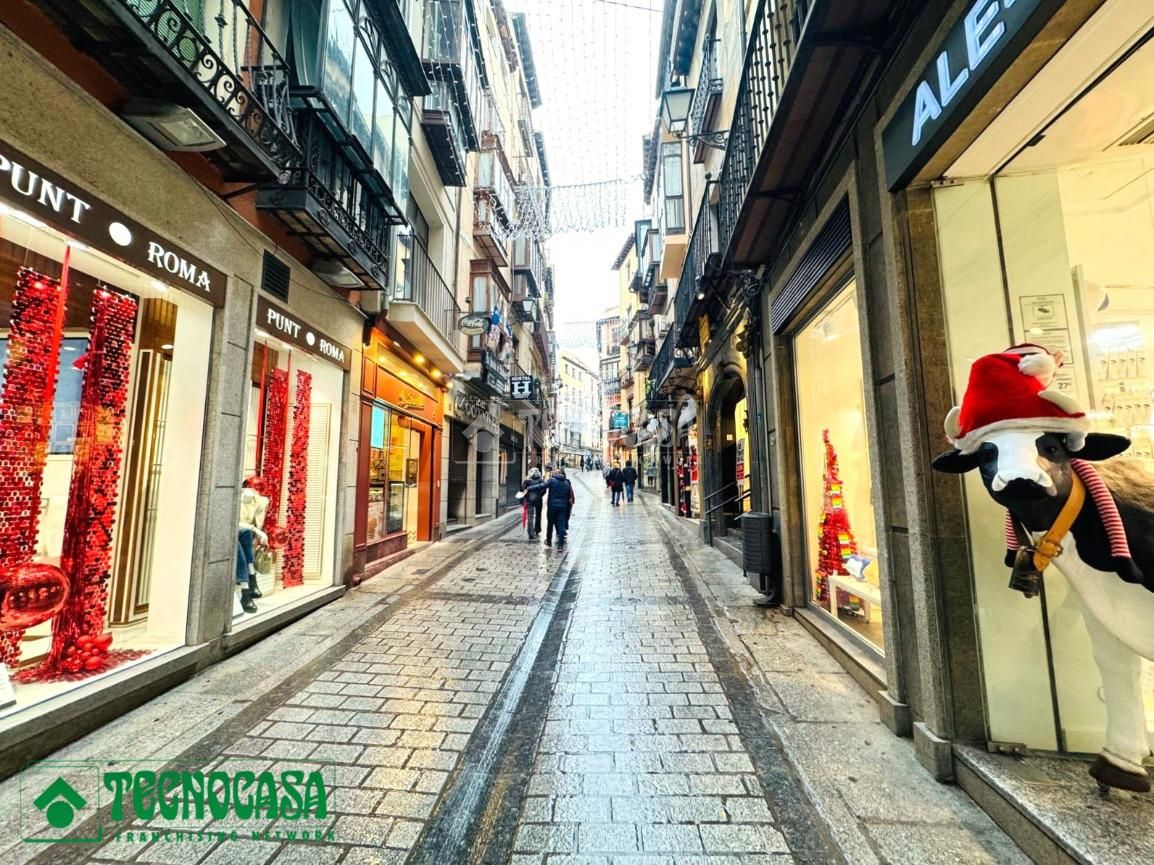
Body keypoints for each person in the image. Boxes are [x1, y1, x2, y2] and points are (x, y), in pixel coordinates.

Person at [544, 468, 574, 550]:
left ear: (555, 474)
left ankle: (548, 541)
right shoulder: (566, 483)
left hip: (552, 506)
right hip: (563, 507)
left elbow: (542, 486)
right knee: (561, 525)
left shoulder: (551, 480)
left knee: (550, 523)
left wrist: (530, 488)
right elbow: (569, 495)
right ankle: (560, 546)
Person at [520, 467, 545, 540]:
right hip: (538, 500)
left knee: (530, 517)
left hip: (529, 500)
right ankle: (537, 530)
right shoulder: (541, 480)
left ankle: (530, 533)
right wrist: (540, 495)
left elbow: (522, 489)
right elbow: (544, 490)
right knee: (538, 515)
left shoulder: (527, 481)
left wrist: (526, 496)